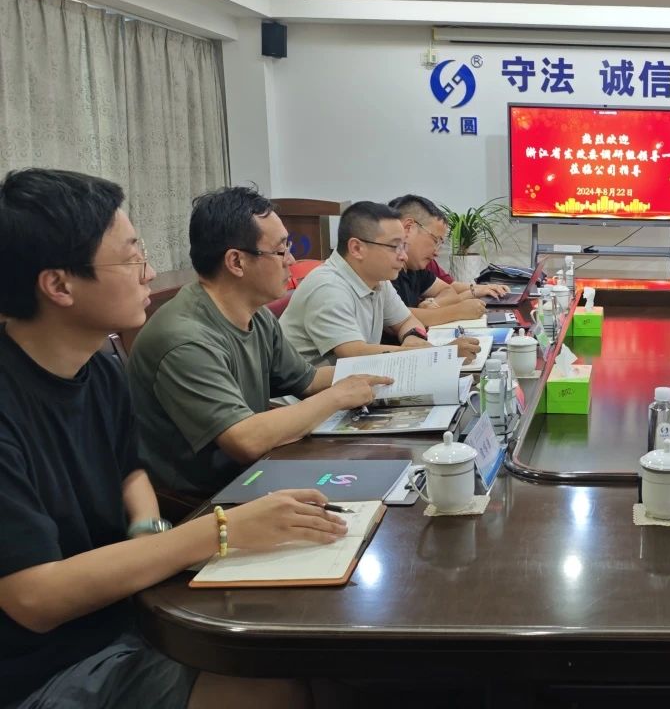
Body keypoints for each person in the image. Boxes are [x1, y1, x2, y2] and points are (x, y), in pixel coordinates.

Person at [0, 168, 346, 708]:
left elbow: (129, 470)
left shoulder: (100, 367)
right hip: (48, 668)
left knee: (318, 647)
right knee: (279, 684)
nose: (151, 272)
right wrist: (220, 532)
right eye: (132, 258)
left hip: (129, 611)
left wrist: (149, 533)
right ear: (60, 285)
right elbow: (34, 598)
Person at [128, 187, 393, 498]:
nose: (291, 260)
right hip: (202, 499)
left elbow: (307, 381)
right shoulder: (185, 339)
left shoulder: (256, 314)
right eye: (280, 251)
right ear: (236, 262)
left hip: (255, 470)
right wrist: (337, 396)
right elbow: (245, 440)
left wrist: (385, 373)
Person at [281, 201, 437, 366]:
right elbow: (354, 354)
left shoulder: (378, 280)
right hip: (313, 383)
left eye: (403, 246)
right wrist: (423, 354)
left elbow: (407, 321)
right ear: (356, 248)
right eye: (394, 246)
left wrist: (413, 338)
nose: (404, 256)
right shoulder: (328, 287)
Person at [387, 194, 509, 308]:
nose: (436, 252)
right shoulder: (386, 272)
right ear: (408, 228)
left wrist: (433, 306)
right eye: (436, 241)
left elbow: (449, 290)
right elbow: (402, 318)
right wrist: (460, 308)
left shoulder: (417, 269)